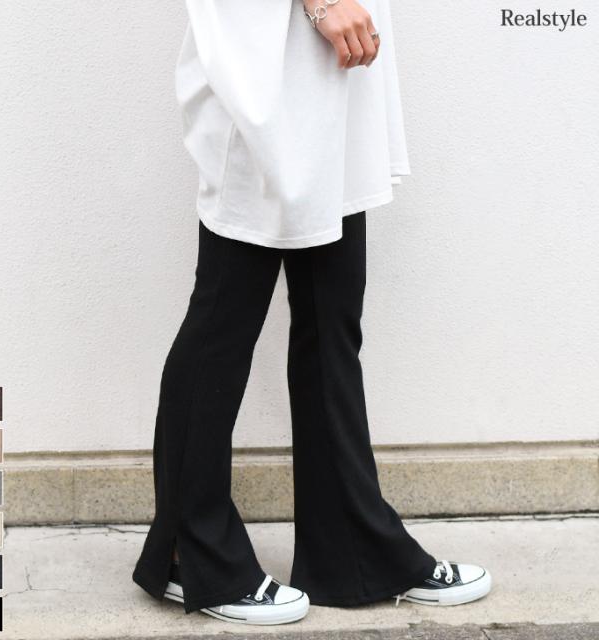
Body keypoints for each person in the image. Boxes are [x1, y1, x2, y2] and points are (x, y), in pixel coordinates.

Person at [132, 0, 492, 625]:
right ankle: (191, 555)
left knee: (332, 322)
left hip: (327, 70)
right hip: (265, 64)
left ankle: (353, 555)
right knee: (225, 318)